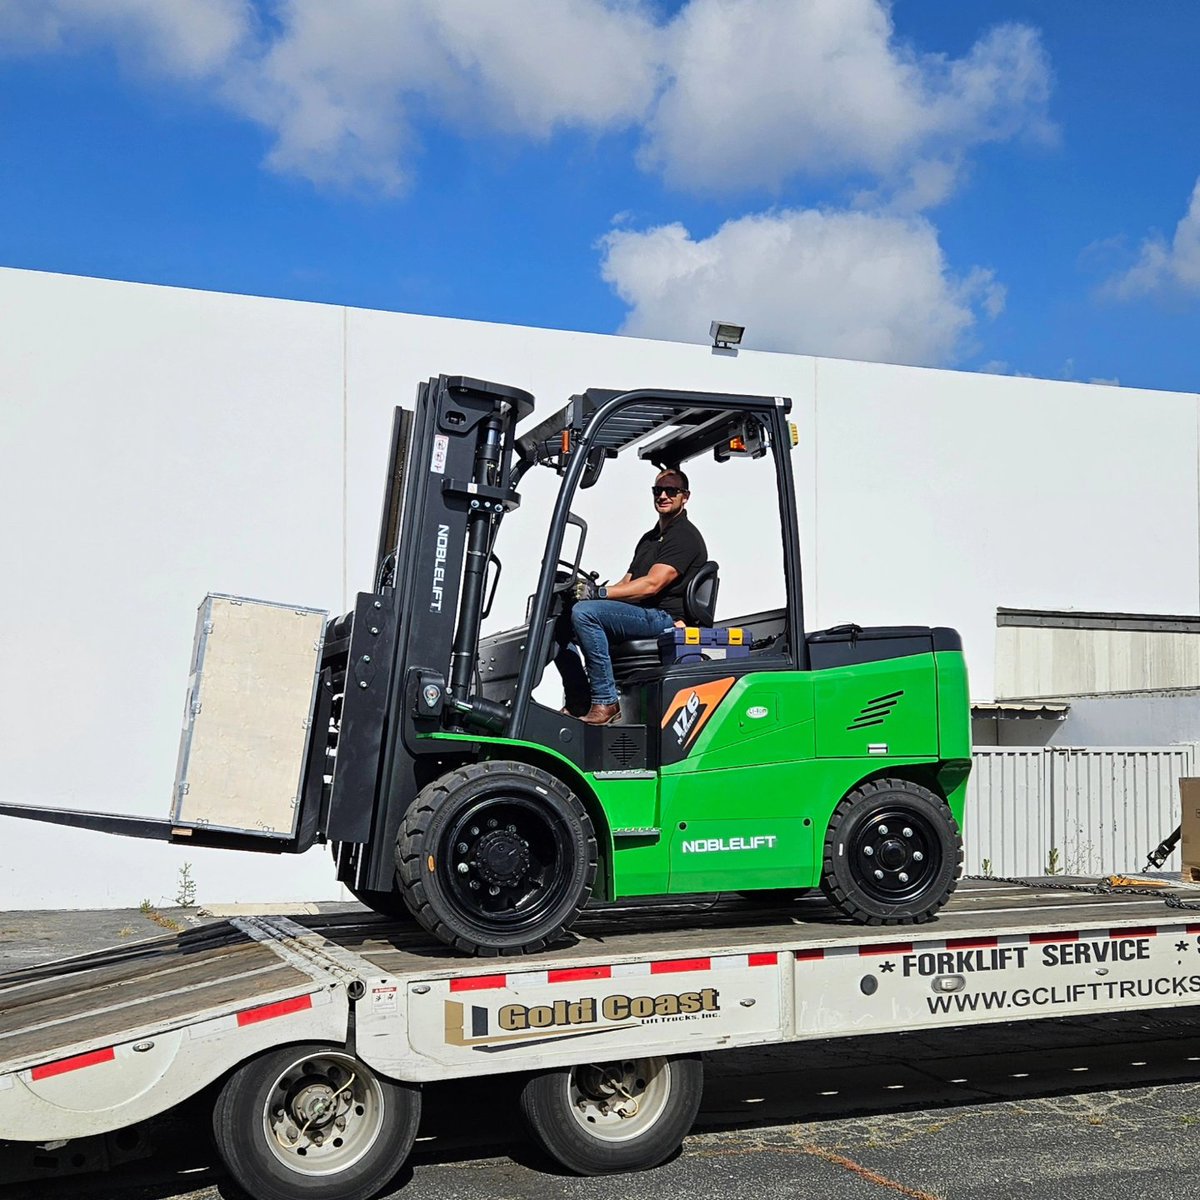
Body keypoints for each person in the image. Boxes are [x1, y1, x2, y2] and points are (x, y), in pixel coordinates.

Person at [556, 467, 707, 725]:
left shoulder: (684, 536)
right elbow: (628, 582)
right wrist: (589, 595)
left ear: (685, 496)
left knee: (585, 614)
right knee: (562, 617)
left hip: (664, 618)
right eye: (658, 491)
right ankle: (579, 698)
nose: (663, 496)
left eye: (671, 491)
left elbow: (651, 585)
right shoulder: (649, 539)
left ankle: (606, 700)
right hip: (642, 614)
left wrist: (599, 595)